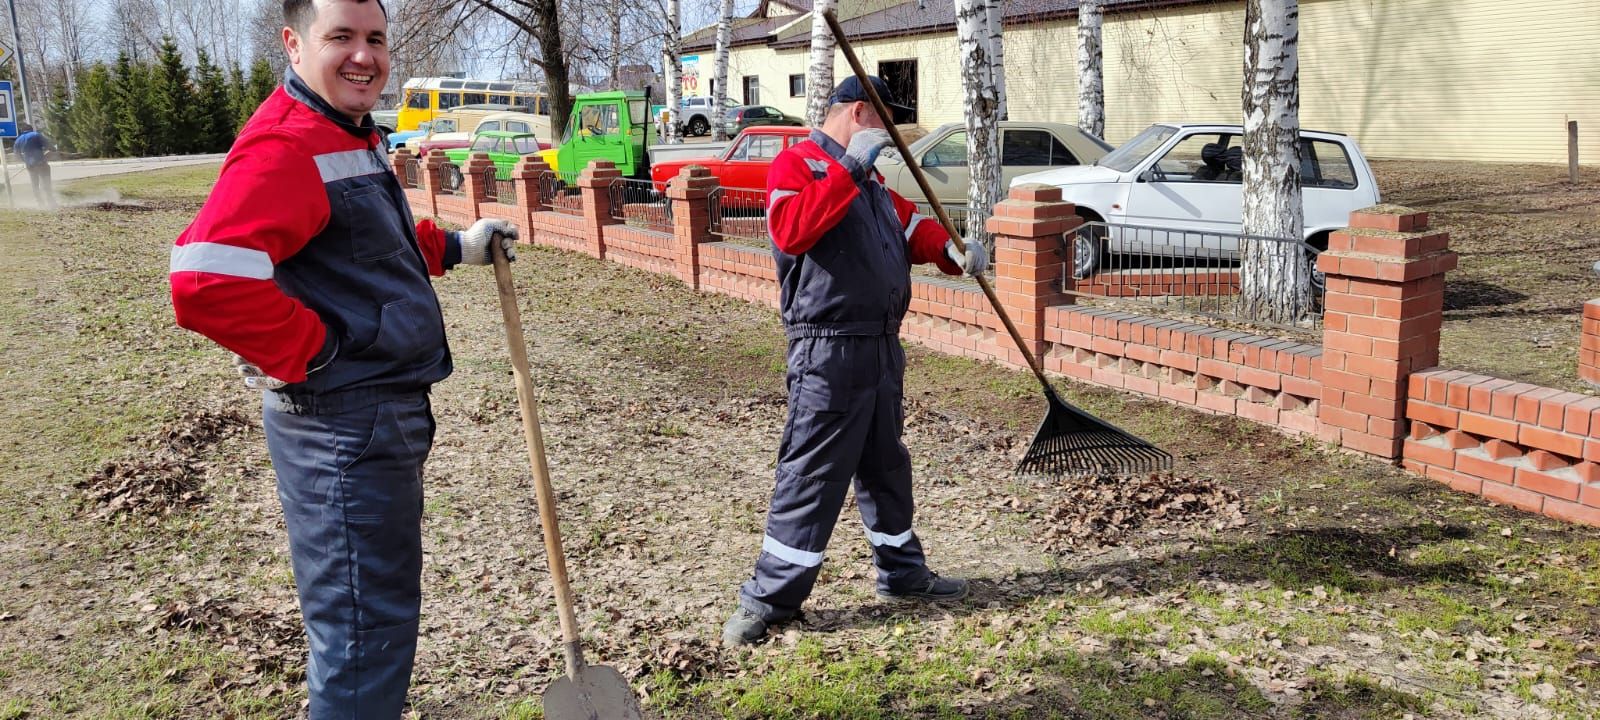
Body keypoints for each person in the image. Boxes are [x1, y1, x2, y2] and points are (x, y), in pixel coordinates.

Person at [168, 0, 518, 716]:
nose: (364, 56)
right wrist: (309, 349)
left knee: (371, 623)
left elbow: (365, 245)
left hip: (372, 417)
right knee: (365, 635)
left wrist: (456, 247)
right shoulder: (287, 146)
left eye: (375, 39)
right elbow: (204, 280)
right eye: (342, 39)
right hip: (343, 425)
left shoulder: (345, 133)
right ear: (295, 45)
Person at [721, 76, 989, 647]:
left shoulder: (871, 184)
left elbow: (914, 228)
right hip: (828, 348)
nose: (891, 140)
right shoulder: (799, 166)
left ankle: (901, 572)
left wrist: (950, 249)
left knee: (886, 464)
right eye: (885, 126)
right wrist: (847, 170)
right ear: (860, 112)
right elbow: (791, 232)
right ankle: (769, 601)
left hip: (882, 347)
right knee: (812, 471)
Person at [13, 124, 53, 209]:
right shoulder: (36, 135)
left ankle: (40, 204)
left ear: (22, 130)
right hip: (41, 163)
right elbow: (50, 146)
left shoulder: (18, 140)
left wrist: (25, 161)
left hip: (30, 166)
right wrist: (47, 155)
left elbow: (16, 154)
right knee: (46, 183)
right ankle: (50, 202)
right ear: (31, 129)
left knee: (35, 185)